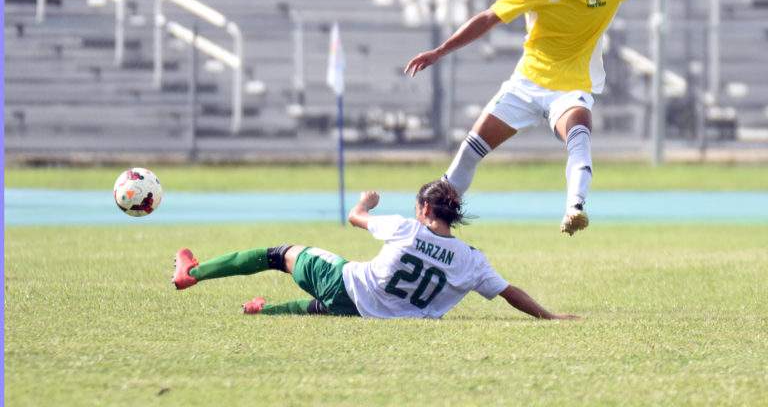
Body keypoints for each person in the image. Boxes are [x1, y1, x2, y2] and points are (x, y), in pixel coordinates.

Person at [405, 0, 698, 235]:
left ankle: (574, 209)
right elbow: (489, 18)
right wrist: (440, 51)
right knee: (469, 150)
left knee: (579, 135)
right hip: (525, 85)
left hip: (571, 88)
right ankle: (432, 226)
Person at [172, 180, 582, 320]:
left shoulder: (405, 228)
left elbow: (354, 217)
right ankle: (260, 313)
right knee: (313, 310)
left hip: (346, 284)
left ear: (423, 208)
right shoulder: (472, 261)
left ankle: (193, 272)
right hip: (373, 312)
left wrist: (366, 202)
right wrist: (549, 315)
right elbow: (510, 292)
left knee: (279, 254)